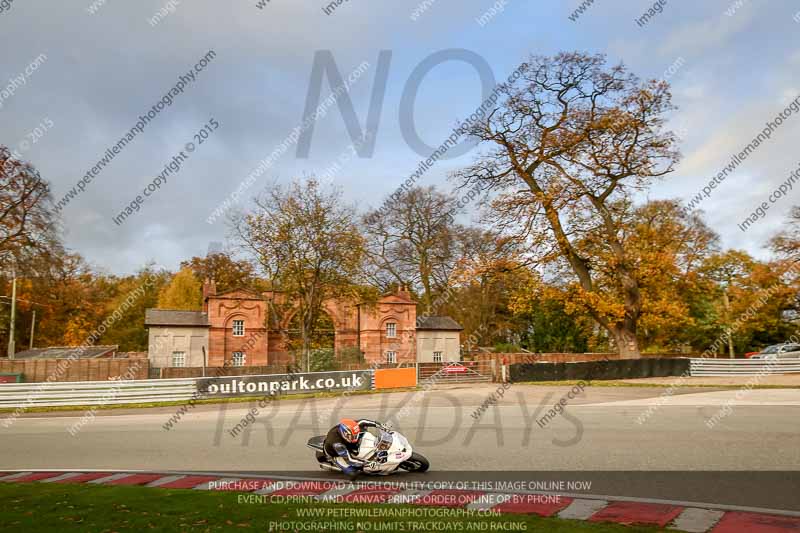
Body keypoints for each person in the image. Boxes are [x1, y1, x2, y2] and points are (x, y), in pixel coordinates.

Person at [323, 418, 391, 477]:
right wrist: (367, 463)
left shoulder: (351, 426)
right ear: (345, 434)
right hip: (336, 453)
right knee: (353, 473)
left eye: (356, 436)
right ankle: (338, 463)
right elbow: (350, 460)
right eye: (353, 436)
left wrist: (380, 425)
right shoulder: (337, 444)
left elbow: (363, 421)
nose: (355, 438)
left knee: (363, 430)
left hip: (346, 443)